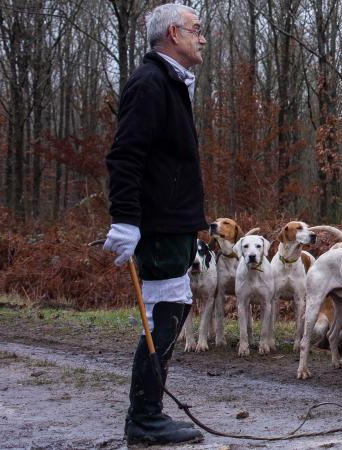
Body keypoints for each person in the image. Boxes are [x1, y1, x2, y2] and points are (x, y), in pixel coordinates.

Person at [102, 3, 208, 445]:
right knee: (165, 308)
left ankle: (147, 413)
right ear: (172, 34)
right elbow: (126, 156)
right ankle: (144, 418)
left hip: (174, 222)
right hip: (159, 224)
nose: (202, 37)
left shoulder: (171, 83)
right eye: (196, 29)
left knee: (172, 305)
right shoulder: (149, 84)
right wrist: (125, 220)